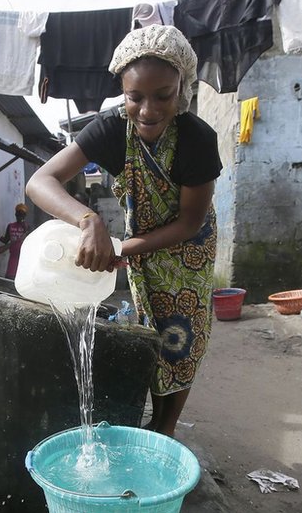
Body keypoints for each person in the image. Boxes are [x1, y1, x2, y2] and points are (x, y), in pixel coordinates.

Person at [25, 25, 221, 438]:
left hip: (187, 249)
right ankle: (153, 420)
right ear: (123, 91)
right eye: (136, 97)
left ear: (181, 87)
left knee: (182, 336)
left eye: (162, 96)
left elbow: (190, 221)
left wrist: (123, 247)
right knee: (151, 328)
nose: (148, 110)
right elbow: (40, 182)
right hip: (137, 242)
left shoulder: (198, 139)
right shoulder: (112, 128)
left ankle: (166, 427)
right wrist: (88, 221)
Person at [1, 203, 31, 279]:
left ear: (25, 215)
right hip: (13, 257)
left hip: (23, 257)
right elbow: (5, 240)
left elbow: (31, 242)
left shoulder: (28, 227)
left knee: (22, 278)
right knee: (10, 277)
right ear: (15, 214)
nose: (20, 216)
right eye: (19, 213)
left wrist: (25, 229)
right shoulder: (10, 226)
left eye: (22, 214)